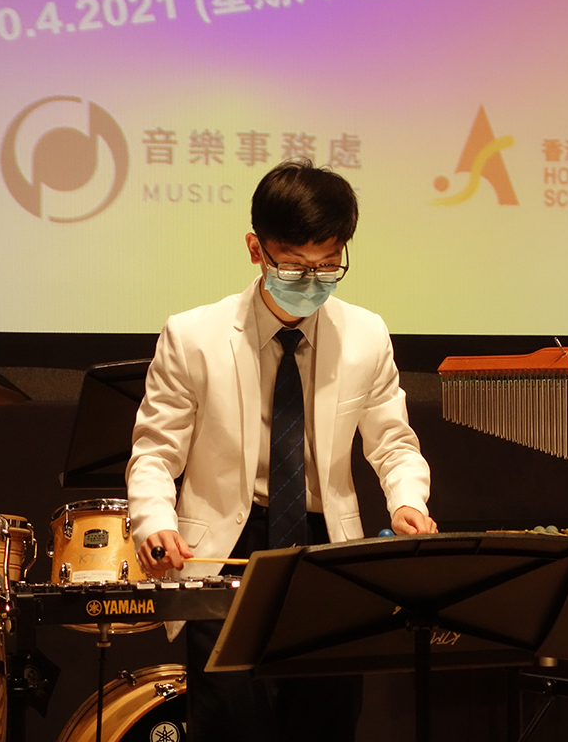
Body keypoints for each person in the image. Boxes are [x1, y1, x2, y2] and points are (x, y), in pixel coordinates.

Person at [126, 159, 436, 742]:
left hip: (324, 547)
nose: (312, 280)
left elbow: (393, 441)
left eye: (328, 265)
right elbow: (156, 451)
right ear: (256, 250)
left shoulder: (365, 335)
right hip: (226, 550)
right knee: (232, 724)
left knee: (326, 721)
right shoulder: (193, 336)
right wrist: (153, 521)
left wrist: (406, 502)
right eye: (294, 265)